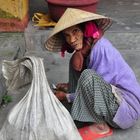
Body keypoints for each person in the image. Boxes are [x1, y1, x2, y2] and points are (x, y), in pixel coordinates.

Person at [45, 8, 140, 138]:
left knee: (88, 76)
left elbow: (96, 88)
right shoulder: (85, 51)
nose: (72, 39)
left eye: (75, 31)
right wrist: (69, 86)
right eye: (67, 35)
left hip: (125, 111)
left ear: (85, 30)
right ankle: (77, 109)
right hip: (111, 104)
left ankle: (99, 123)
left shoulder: (101, 48)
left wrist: (66, 97)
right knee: (75, 62)